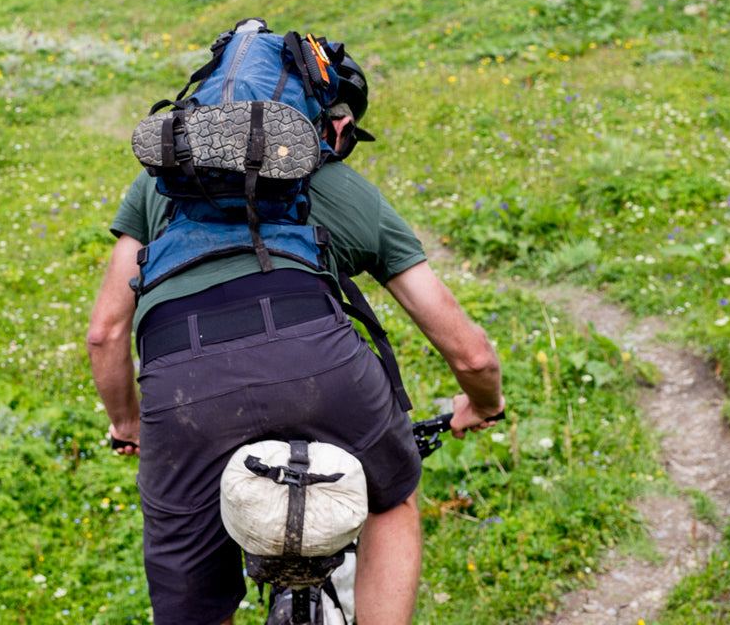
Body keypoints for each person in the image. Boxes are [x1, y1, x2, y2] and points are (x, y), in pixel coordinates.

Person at [87, 46, 504, 625]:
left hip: (184, 383)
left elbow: (106, 332)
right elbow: (470, 351)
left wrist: (129, 424)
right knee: (392, 500)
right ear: (332, 124)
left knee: (186, 582)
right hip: (321, 366)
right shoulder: (343, 189)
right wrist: (482, 402)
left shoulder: (157, 185)